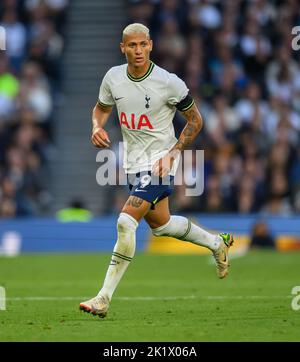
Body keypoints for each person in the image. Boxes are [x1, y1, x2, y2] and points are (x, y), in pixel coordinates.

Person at [79, 23, 234, 318]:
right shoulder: (113, 78)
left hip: (161, 163)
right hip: (134, 165)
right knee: (161, 225)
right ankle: (217, 243)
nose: (138, 50)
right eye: (132, 45)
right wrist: (96, 125)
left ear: (151, 45)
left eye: (143, 45)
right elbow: (101, 107)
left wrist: (173, 153)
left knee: (126, 222)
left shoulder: (169, 82)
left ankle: (103, 298)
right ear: (122, 47)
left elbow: (196, 120)